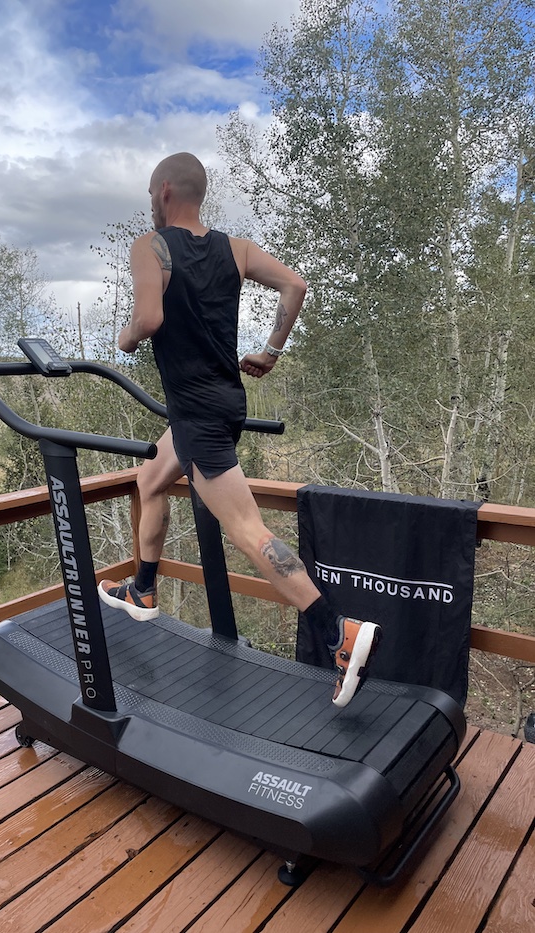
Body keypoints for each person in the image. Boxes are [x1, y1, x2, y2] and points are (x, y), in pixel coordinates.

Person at [98, 152, 380, 707]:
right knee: (150, 480)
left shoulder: (148, 246)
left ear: (162, 194)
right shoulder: (237, 249)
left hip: (199, 415)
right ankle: (145, 586)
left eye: (150, 196)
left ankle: (337, 631)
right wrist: (271, 352)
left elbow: (149, 319)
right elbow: (295, 286)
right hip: (215, 405)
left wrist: (127, 337)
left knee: (248, 529)